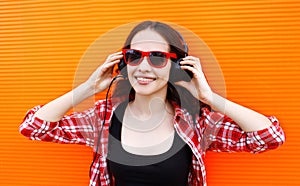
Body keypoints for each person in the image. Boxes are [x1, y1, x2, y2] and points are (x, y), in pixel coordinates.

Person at [20, 21, 285, 186]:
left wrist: (210, 99)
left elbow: (270, 137)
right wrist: (88, 88)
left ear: (178, 66)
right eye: (134, 56)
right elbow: (33, 127)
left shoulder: (196, 121)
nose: (143, 67)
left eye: (157, 57)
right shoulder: (104, 116)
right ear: (124, 63)